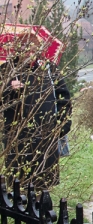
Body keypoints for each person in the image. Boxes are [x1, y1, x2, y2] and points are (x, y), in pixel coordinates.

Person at [2, 36, 72, 189]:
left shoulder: (49, 69)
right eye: (24, 48)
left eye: (32, 48)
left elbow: (63, 99)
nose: (28, 52)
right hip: (16, 139)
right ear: (17, 49)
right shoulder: (7, 70)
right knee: (17, 184)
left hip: (45, 138)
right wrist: (8, 86)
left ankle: (42, 208)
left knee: (42, 183)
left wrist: (60, 127)